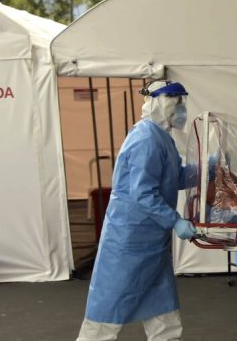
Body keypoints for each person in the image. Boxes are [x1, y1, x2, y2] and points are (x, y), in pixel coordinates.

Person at [77, 80, 197, 341]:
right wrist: (174, 220)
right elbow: (142, 193)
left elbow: (171, 178)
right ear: (158, 104)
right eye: (175, 103)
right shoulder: (146, 140)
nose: (181, 110)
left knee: (163, 312)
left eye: (182, 103)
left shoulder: (163, 138)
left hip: (151, 242)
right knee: (106, 314)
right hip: (129, 242)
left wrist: (204, 171)